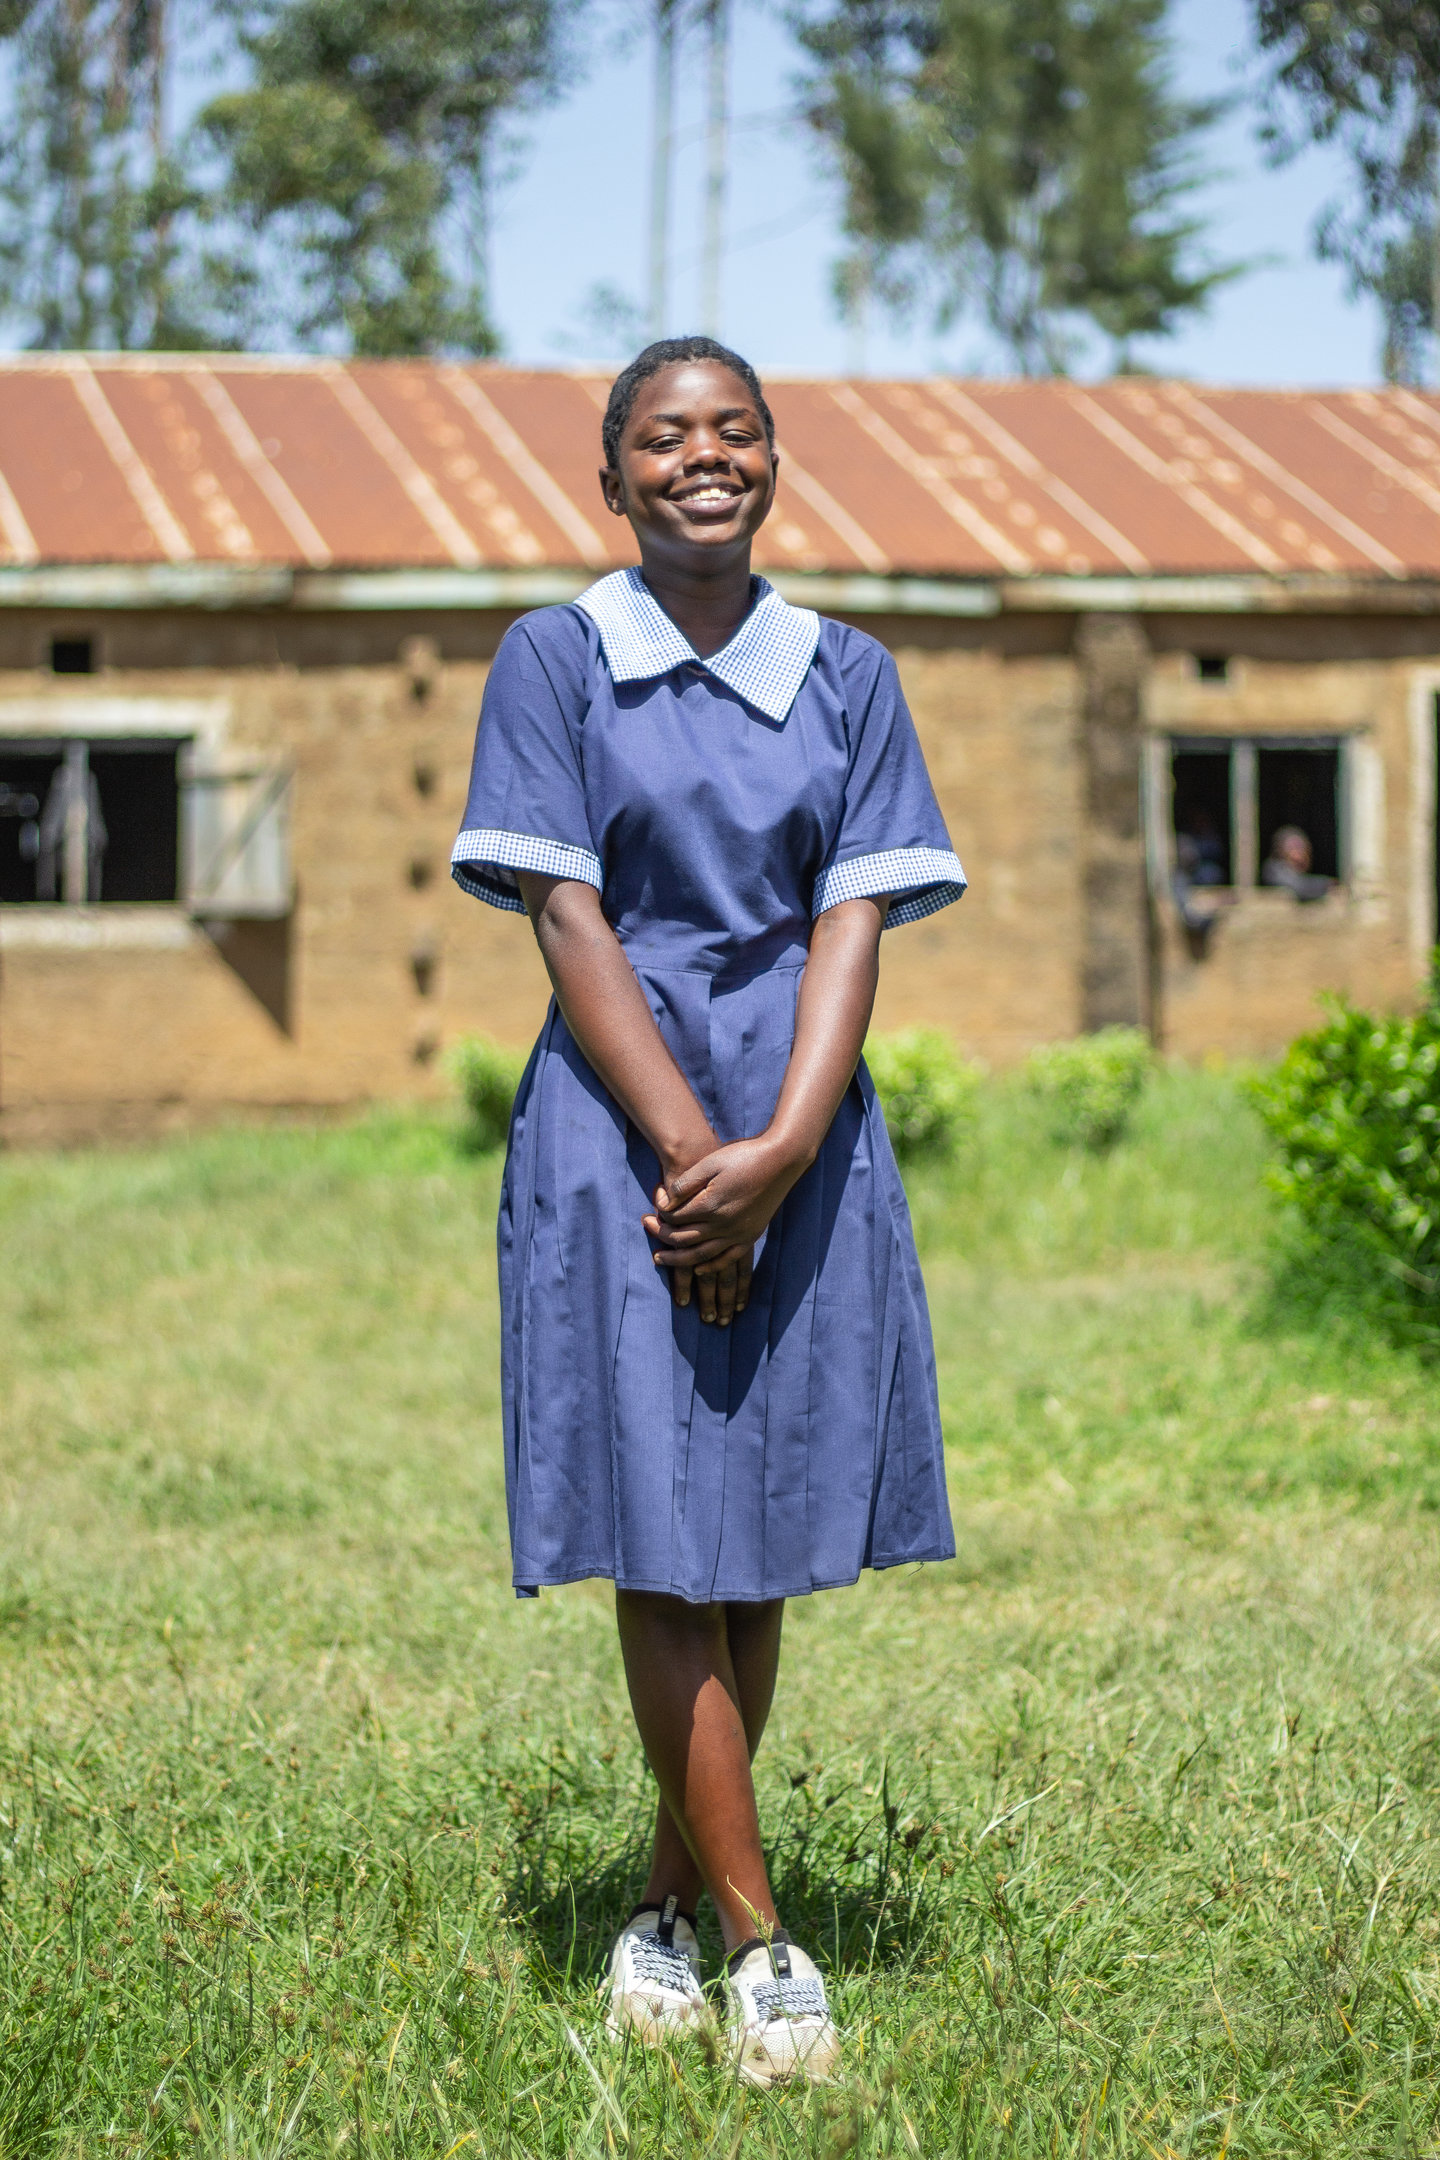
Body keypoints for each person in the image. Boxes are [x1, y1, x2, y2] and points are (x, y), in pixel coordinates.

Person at [451, 336, 966, 2087]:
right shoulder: (557, 658)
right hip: (624, 1135)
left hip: (799, 1123)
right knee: (665, 1527)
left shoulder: (848, 673)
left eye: (736, 431)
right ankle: (769, 1948)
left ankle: (661, 1918)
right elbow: (569, 919)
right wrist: (698, 1161)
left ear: (774, 461)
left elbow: (853, 920)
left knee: (749, 1534)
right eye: (663, 437)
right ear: (610, 477)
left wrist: (789, 1148)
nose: (703, 458)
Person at [1261, 825, 1331, 903]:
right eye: (1293, 847)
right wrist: (1327, 884)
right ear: (1281, 850)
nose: (1299, 853)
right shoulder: (1273, 869)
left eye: (1301, 847)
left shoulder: (1295, 872)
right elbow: (1300, 888)